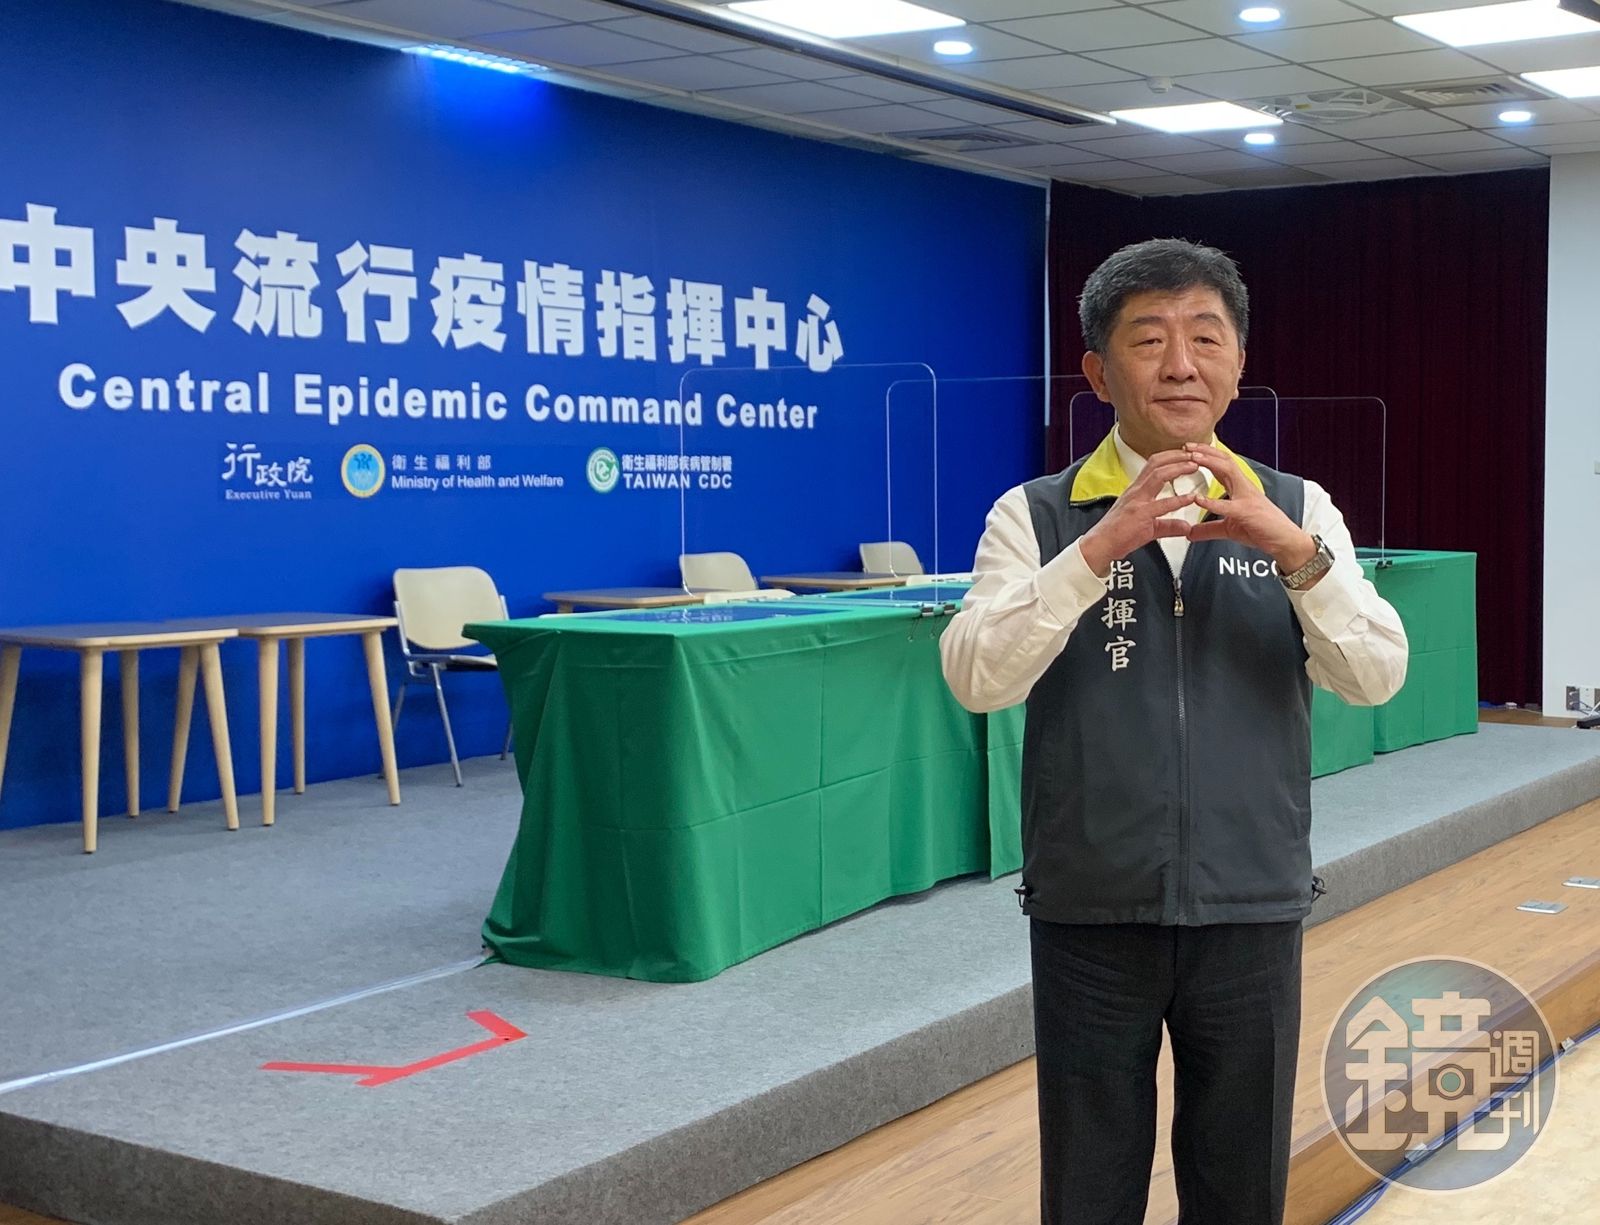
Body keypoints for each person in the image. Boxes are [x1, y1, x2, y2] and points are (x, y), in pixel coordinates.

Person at [939, 238, 1408, 1225]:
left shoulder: (1298, 507)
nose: (1180, 364)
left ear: (1238, 363)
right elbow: (976, 676)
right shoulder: (1037, 514)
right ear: (1097, 371)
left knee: (1240, 1183)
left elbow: (1374, 675)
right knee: (1089, 1184)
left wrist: (1295, 554)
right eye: (1148, 339)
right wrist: (1099, 547)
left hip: (1251, 899)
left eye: (1205, 336)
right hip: (1091, 904)